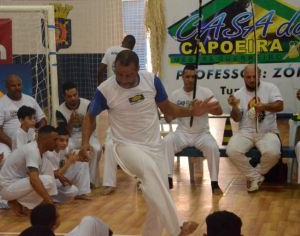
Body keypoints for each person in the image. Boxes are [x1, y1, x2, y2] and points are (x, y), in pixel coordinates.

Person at [81, 50, 218, 236]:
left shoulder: (151, 81)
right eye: (119, 74)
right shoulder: (105, 90)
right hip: (124, 146)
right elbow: (90, 117)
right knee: (150, 171)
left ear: (138, 69)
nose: (124, 79)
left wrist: (192, 112)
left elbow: (168, 108)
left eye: (128, 74)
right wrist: (84, 143)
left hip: (154, 147)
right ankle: (177, 228)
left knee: (157, 197)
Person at [163, 64, 223, 194]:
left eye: (193, 77)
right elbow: (168, 119)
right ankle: (168, 179)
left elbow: (219, 111)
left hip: (201, 133)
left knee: (213, 147)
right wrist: (165, 109)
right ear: (182, 77)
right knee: (167, 140)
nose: (190, 79)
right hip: (182, 133)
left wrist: (206, 108)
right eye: (187, 76)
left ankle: (214, 183)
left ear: (196, 78)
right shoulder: (175, 94)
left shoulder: (205, 92)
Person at [226, 64, 283, 192]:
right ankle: (255, 176)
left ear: (259, 76)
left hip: (267, 131)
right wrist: (234, 107)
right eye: (248, 77)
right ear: (244, 77)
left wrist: (265, 107)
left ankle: (254, 175)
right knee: (232, 150)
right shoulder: (238, 94)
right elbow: (237, 118)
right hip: (246, 131)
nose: (251, 80)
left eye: (254, 77)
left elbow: (280, 106)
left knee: (273, 153)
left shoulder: (270, 88)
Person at [97, 35, 135, 195]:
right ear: (132, 46)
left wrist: (99, 88)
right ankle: (110, 181)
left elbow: (99, 70)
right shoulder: (131, 56)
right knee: (111, 143)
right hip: (117, 95)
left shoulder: (110, 49)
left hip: (115, 96)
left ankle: (110, 184)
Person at [0, 125, 58, 216]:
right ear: (45, 139)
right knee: (47, 180)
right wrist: (51, 204)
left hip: (17, 185)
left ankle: (20, 203)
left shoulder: (41, 153)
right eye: (55, 140)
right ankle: (17, 201)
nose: (57, 143)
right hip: (7, 188)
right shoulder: (32, 150)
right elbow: (34, 180)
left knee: (47, 177)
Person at [0, 74, 47, 159]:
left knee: (44, 155)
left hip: (30, 139)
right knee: (5, 158)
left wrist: (38, 136)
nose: (17, 88)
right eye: (13, 86)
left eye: (19, 85)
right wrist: (13, 144)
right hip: (5, 142)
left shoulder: (30, 100)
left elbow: (42, 120)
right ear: (6, 87)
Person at [56, 82, 101, 188]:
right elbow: (63, 132)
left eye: (75, 95)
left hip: (89, 134)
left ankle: (92, 181)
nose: (73, 98)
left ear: (78, 93)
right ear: (64, 97)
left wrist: (84, 123)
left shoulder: (88, 104)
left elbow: (93, 126)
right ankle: (68, 179)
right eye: (69, 96)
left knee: (96, 149)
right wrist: (71, 122)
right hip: (71, 137)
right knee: (63, 149)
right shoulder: (59, 110)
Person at [44, 126, 91, 202]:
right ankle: (51, 198)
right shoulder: (50, 153)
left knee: (83, 164)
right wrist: (69, 162)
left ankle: (81, 193)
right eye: (61, 140)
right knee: (72, 191)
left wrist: (81, 158)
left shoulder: (64, 148)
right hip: (51, 182)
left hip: (60, 178)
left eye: (67, 140)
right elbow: (57, 175)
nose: (64, 143)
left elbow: (72, 157)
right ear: (55, 140)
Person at [20, 203, 113, 236]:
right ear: (53, 223)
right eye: (58, 215)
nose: (60, 215)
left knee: (78, 229)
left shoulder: (28, 232)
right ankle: (105, 231)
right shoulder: (47, 233)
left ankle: (105, 230)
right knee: (88, 221)